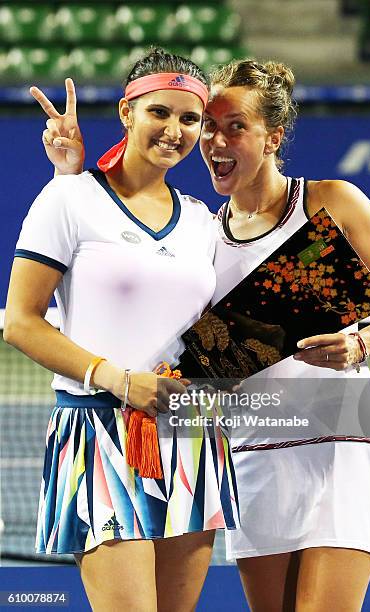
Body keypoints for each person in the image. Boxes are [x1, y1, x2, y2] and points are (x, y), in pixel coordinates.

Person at [32, 57, 370, 611]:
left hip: (339, 445)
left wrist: (361, 342)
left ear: (273, 136)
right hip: (250, 451)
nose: (214, 139)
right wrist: (67, 178)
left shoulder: (331, 201)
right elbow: (114, 279)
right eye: (209, 124)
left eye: (236, 127)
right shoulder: (201, 232)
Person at [4, 48, 239, 612]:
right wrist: (115, 378)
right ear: (127, 112)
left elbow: (214, 332)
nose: (175, 130)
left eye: (190, 119)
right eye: (159, 112)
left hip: (191, 434)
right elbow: (19, 322)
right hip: (99, 433)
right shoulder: (69, 199)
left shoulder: (204, 221)